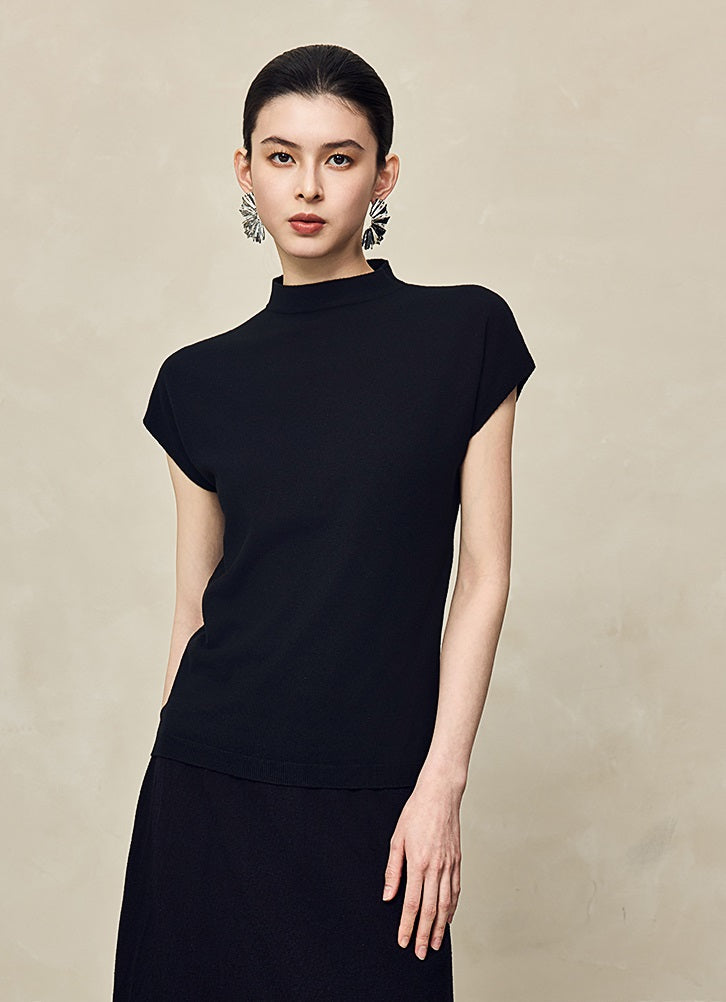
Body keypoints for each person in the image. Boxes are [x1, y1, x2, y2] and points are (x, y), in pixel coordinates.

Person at [112, 42, 536, 1002]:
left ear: (384, 174)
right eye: (281, 156)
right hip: (207, 783)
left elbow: (484, 574)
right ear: (245, 170)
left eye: (340, 158)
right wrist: (171, 774)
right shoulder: (196, 381)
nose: (308, 186)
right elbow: (195, 605)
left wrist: (441, 786)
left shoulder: (465, 334)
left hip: (378, 793)